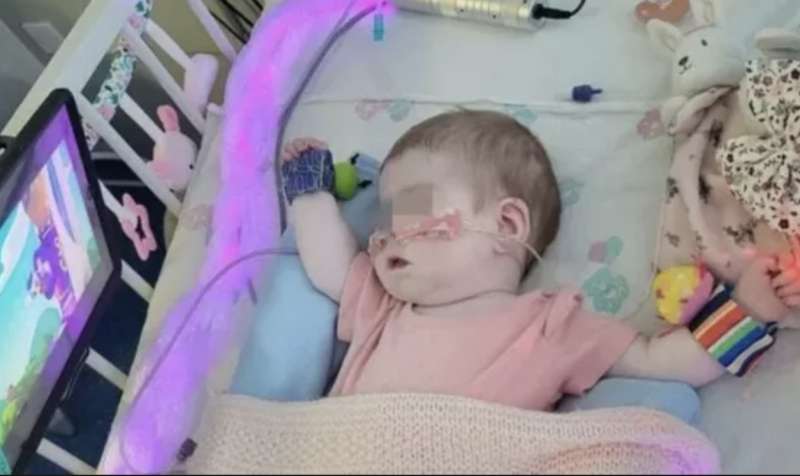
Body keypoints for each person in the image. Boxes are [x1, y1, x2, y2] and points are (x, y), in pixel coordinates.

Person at [281, 110, 797, 411]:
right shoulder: (385, 308)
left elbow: (663, 363)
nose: (385, 235)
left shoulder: (552, 326)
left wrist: (755, 304)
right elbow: (330, 265)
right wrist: (309, 192)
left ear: (507, 224)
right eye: (384, 220)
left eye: (410, 209)